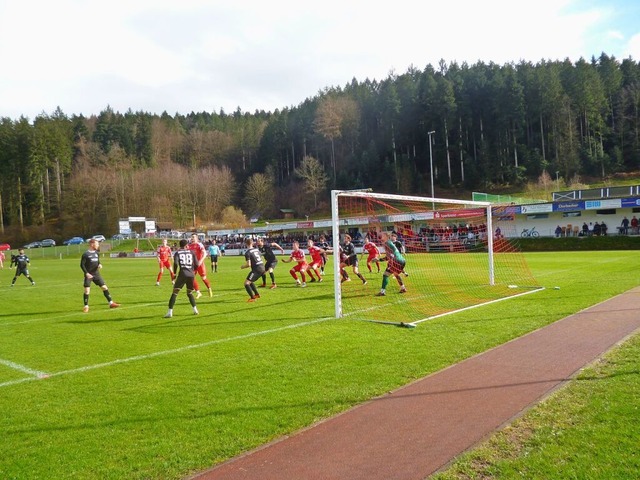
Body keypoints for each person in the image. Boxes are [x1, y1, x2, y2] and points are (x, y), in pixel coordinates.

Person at [80, 238, 120, 312]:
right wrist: (86, 273)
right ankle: (86, 306)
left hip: (96, 274)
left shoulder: (96, 253)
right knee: (87, 290)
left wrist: (100, 265)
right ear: (92, 244)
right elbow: (82, 265)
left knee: (104, 287)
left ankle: (111, 303)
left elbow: (98, 262)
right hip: (89, 275)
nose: (98, 245)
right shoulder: (85, 254)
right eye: (97, 244)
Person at [164, 239, 199, 317]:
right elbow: (197, 264)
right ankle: (195, 310)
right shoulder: (192, 252)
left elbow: (175, 263)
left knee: (175, 292)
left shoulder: (178, 253)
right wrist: (192, 270)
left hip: (182, 274)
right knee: (189, 293)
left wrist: (175, 273)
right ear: (186, 246)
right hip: (191, 274)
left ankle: (170, 312)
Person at [375, 231, 407, 296]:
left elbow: (391, 254)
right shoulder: (389, 243)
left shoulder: (387, 243)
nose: (381, 235)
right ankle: (403, 288)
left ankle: (382, 292)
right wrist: (379, 259)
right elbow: (388, 257)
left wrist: (391, 263)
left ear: (386, 236)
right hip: (402, 261)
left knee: (385, 275)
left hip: (396, 261)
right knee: (396, 274)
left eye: (383, 234)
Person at [241, 237, 265, 302]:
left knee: (246, 283)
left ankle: (252, 298)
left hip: (257, 269)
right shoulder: (257, 250)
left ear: (246, 244)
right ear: (252, 243)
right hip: (262, 267)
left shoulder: (247, 253)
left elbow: (249, 264)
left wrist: (243, 266)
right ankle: (257, 294)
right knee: (250, 281)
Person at [187, 233, 212, 298]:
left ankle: (209, 288)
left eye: (193, 237)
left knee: (203, 278)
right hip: (193, 265)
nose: (192, 238)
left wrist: (200, 261)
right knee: (191, 278)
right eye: (191, 237)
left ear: (197, 238)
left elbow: (205, 254)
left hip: (200, 265)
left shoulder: (199, 245)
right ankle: (198, 292)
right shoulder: (189, 246)